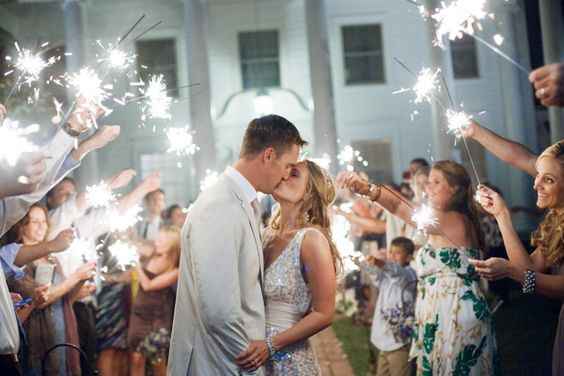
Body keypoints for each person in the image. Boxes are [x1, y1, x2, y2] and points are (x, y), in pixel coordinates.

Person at [168, 114, 306, 375]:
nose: (288, 174)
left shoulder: (243, 201)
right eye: (288, 165)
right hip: (219, 363)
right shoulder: (220, 205)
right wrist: (252, 366)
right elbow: (218, 311)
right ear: (268, 155)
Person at [340, 160, 498, 375]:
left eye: (436, 182)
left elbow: (399, 207)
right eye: (428, 181)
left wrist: (367, 189)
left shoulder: (453, 220)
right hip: (438, 309)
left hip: (455, 313)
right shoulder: (447, 220)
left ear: (455, 189)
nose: (427, 187)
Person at [236, 160, 338, 375]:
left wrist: (271, 345)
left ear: (310, 192)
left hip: (289, 360)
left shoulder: (311, 240)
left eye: (293, 174)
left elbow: (324, 313)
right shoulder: (265, 236)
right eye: (284, 170)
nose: (283, 176)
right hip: (252, 354)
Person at [472, 140, 564, 375]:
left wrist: (512, 272)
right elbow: (530, 267)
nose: (536, 185)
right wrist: (502, 215)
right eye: (538, 176)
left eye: (549, 179)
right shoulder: (557, 220)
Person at [3, 204, 96, 376]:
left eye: (44, 221)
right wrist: (75, 277)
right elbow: (41, 299)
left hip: (63, 330)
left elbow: (66, 300)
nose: (41, 226)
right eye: (35, 221)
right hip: (38, 336)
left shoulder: (52, 258)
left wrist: (81, 282)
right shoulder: (16, 262)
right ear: (22, 226)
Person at [360, 237, 417, 376]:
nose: (392, 256)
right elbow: (375, 275)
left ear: (409, 257)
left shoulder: (409, 275)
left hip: (400, 343)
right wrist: (361, 261)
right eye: (390, 252)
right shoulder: (386, 277)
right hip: (383, 341)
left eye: (397, 253)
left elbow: (396, 271)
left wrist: (380, 263)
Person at [129, 226, 180, 376]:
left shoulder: (175, 270)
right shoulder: (152, 253)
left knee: (157, 360)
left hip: (157, 320)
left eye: (161, 240)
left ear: (172, 244)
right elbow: (135, 244)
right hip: (139, 316)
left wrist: (136, 265)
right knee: (136, 358)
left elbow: (148, 285)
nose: (156, 241)